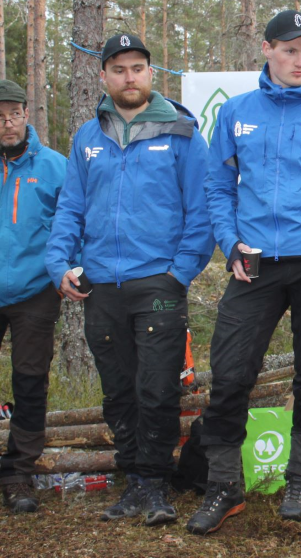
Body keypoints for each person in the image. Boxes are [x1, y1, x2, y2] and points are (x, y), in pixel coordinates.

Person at [186, 10, 301, 534]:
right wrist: (229, 244)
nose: (300, 60)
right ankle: (224, 485)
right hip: (253, 266)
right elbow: (218, 187)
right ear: (266, 50)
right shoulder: (237, 113)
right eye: (290, 50)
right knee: (228, 376)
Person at [45, 34, 213, 526]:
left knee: (158, 388)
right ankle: (132, 482)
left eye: (137, 68)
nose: (129, 77)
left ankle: (156, 484)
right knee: (118, 389)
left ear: (150, 73)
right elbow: (70, 208)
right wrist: (60, 264)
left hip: (157, 284)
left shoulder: (181, 133)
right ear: (104, 77)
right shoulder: (87, 137)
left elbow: (199, 212)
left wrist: (178, 273)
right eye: (118, 69)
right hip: (101, 285)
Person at [0, 80, 66, 513]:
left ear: (27, 114)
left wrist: (65, 270)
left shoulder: (55, 166)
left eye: (13, 115)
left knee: (29, 381)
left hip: (35, 290)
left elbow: (71, 223)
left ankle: (18, 474)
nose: (7, 124)